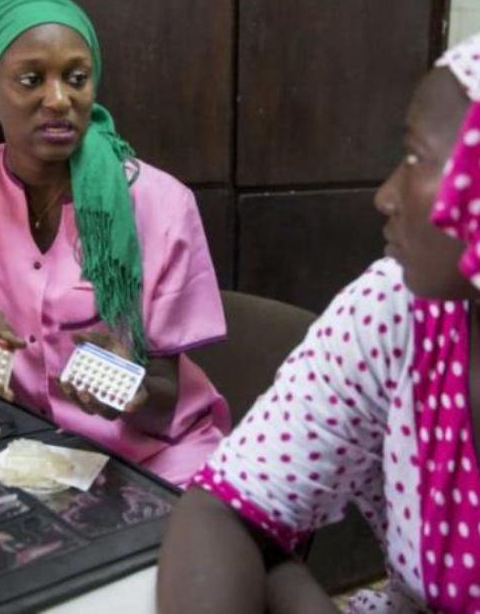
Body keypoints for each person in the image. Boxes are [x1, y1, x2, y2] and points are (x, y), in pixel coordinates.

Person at [158, 33, 480, 613]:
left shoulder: (155, 200)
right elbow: (226, 506)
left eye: (415, 157)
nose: (386, 196)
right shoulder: (397, 308)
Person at [0, 0, 229, 487]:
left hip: (154, 461)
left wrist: (129, 390)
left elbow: (161, 405)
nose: (58, 99)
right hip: (27, 456)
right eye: (31, 80)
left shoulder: (160, 202)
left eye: (76, 78)